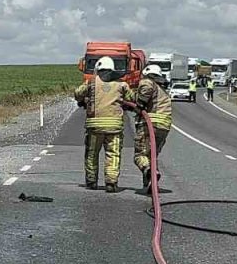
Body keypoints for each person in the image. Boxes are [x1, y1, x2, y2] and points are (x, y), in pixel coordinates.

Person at [74, 56, 132, 192]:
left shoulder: (91, 82)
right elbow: (131, 99)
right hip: (115, 127)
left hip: (94, 126)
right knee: (113, 154)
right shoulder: (121, 84)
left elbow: (78, 94)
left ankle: (91, 181)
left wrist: (85, 99)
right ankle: (111, 183)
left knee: (92, 154)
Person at [133, 65, 173, 192]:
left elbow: (145, 90)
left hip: (150, 123)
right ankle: (151, 182)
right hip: (164, 126)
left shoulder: (148, 82)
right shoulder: (163, 90)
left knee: (140, 155)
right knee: (152, 155)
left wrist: (139, 103)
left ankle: (149, 170)